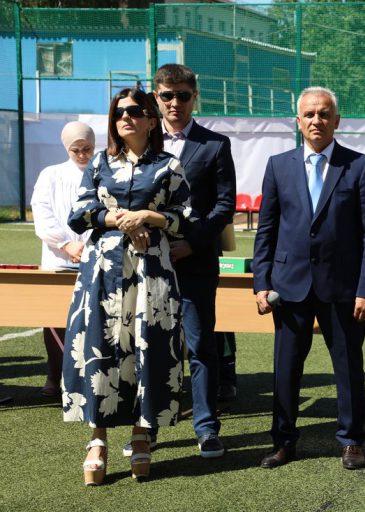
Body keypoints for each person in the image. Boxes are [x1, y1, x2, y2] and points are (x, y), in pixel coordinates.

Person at [62, 88, 193, 485]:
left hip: (151, 271)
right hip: (103, 271)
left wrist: (148, 217)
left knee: (146, 347)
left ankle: (141, 434)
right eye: (119, 112)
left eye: (135, 111)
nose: (126, 117)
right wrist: (120, 219)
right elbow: (79, 213)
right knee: (100, 348)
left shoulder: (169, 165)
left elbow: (184, 217)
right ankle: (97, 440)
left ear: (151, 120)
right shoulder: (100, 162)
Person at [252, 86, 365, 470]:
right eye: (309, 114)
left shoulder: (360, 166)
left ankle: (351, 441)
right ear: (298, 121)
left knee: (348, 366)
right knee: (286, 368)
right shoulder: (278, 166)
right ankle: (283, 441)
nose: (316, 120)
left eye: (324, 114)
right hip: (288, 285)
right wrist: (261, 282)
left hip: (342, 288)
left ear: (336, 120)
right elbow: (266, 229)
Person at [121, 64, 237, 459]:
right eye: (168, 96)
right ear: (156, 98)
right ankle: (148, 428)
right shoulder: (140, 142)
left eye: (183, 95)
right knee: (149, 346)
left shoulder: (215, 144)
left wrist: (193, 243)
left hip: (195, 262)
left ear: (194, 98)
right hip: (146, 264)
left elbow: (224, 205)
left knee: (201, 345)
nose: (175, 103)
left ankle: (206, 428)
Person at [30, 121, 95, 398]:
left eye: (87, 148)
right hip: (58, 260)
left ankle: (87, 378)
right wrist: (66, 244)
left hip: (94, 258)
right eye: (75, 149)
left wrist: (88, 246)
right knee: (54, 320)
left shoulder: (102, 171)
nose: (82, 154)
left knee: (93, 319)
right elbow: (42, 212)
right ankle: (54, 375)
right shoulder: (51, 174)